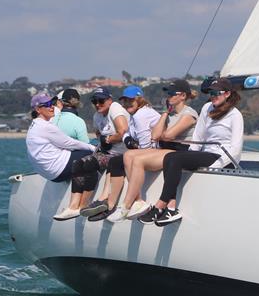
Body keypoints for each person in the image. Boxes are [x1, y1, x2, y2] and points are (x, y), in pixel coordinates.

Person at [143, 77, 243, 226]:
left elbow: (235, 149)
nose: (213, 96)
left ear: (227, 94)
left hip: (223, 158)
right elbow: (198, 136)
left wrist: (215, 167)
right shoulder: (207, 108)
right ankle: (171, 208)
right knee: (171, 157)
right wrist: (188, 155)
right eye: (211, 93)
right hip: (206, 153)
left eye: (217, 93)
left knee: (175, 159)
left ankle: (160, 206)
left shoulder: (235, 115)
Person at [114, 79, 199, 221]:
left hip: (180, 152)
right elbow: (155, 136)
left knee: (139, 160)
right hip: (166, 150)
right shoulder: (169, 115)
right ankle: (137, 200)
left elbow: (168, 135)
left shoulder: (189, 114)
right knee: (128, 155)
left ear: (183, 96)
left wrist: (163, 133)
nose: (169, 96)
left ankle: (125, 206)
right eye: (168, 94)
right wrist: (165, 113)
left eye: (172, 93)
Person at [83, 85, 161, 222]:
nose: (126, 104)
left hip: (156, 153)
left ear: (140, 99)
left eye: (130, 100)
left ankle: (133, 202)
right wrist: (127, 140)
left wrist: (123, 141)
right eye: (124, 101)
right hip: (151, 151)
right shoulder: (134, 115)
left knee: (126, 158)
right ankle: (110, 205)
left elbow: (144, 147)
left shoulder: (141, 115)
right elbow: (126, 135)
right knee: (115, 161)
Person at [25, 92, 98, 221]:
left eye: (52, 103)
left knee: (81, 156)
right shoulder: (45, 127)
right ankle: (80, 205)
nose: (51, 107)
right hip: (58, 170)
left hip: (49, 173)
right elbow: (69, 143)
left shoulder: (36, 124)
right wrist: (94, 148)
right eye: (46, 105)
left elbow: (55, 116)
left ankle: (75, 205)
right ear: (37, 109)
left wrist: (57, 107)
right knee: (91, 157)